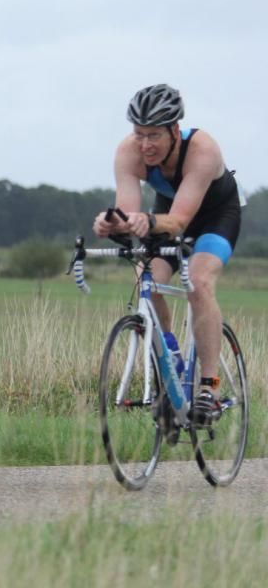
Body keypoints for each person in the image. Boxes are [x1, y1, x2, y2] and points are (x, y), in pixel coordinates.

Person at [93, 83, 243, 424]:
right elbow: (128, 213)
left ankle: (209, 388)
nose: (145, 144)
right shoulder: (128, 152)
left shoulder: (202, 149)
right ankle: (172, 359)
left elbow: (178, 222)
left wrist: (145, 220)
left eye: (154, 136)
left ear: (175, 130)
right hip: (166, 214)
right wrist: (111, 223)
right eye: (139, 134)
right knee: (147, 276)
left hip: (214, 217)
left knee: (199, 283)